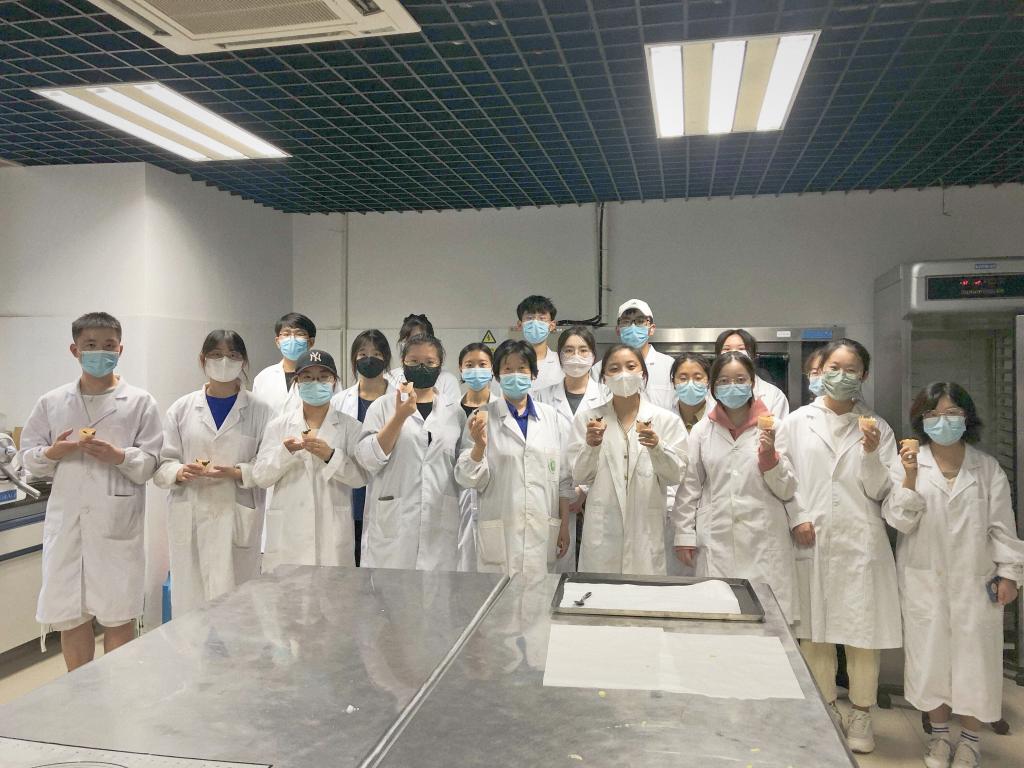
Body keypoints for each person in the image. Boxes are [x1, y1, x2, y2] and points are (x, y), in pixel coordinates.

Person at [885, 383, 1023, 768]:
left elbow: (1002, 527)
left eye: (951, 413)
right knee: (930, 660)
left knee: (975, 662)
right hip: (924, 581)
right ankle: (940, 738)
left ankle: (971, 742)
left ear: (967, 417)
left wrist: (1009, 574)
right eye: (933, 414)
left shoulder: (986, 468)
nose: (942, 421)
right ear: (921, 420)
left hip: (975, 583)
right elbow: (899, 521)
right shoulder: (907, 463)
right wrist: (909, 477)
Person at [774, 338, 901, 754]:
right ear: (821, 370)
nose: (841, 376)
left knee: (862, 633)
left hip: (861, 541)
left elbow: (881, 490)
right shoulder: (796, 422)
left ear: (864, 375)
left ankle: (861, 713)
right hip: (811, 536)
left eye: (851, 370)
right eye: (834, 367)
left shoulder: (878, 427)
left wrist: (871, 454)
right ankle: (826, 707)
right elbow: (782, 478)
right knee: (815, 632)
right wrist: (798, 516)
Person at [18, 312, 162, 671]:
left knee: (119, 616)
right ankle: (78, 692)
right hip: (68, 524)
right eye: (91, 345)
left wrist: (119, 456)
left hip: (116, 525)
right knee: (71, 616)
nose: (101, 352)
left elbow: (151, 463)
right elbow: (27, 459)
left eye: (108, 345)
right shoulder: (52, 402)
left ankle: (116, 693)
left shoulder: (140, 402)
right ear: (75, 350)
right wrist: (53, 452)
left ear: (120, 349)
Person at [672, 351, 807, 623]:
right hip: (717, 538)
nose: (732, 386)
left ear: (752, 383)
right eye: (723, 381)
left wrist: (770, 458)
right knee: (720, 619)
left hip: (764, 538)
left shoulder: (775, 427)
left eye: (740, 379)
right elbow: (690, 487)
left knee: (768, 622)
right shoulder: (702, 431)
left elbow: (788, 488)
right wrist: (684, 534)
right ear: (713, 387)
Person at [154, 330, 272, 615]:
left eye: (232, 355)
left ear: (243, 361)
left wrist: (239, 472)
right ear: (202, 360)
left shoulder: (260, 411)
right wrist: (179, 471)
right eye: (216, 355)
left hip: (237, 516)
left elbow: (269, 465)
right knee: (191, 611)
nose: (224, 362)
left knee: (237, 609)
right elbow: (161, 465)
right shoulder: (181, 409)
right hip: (191, 512)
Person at [455, 340, 573, 575]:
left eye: (522, 368)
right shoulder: (481, 417)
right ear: (497, 375)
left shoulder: (552, 418)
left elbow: (563, 479)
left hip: (542, 530)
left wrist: (564, 525)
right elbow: (466, 479)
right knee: (500, 593)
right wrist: (479, 446)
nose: (515, 375)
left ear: (533, 374)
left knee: (538, 592)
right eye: (508, 369)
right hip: (501, 531)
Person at [570, 344, 687, 575]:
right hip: (603, 533)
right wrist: (591, 447)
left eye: (631, 366)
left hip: (645, 533)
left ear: (643, 374)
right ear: (604, 377)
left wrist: (657, 448)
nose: (623, 374)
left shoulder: (666, 421)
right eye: (614, 368)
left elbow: (675, 476)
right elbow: (579, 476)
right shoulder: (588, 420)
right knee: (601, 595)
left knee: (642, 594)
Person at [357, 334, 465, 570]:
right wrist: (399, 417)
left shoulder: (454, 412)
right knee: (389, 590)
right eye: (414, 361)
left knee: (437, 590)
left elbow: (462, 469)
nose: (421, 367)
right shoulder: (382, 406)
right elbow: (368, 460)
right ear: (403, 363)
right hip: (393, 523)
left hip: (439, 521)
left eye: (429, 362)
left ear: (440, 365)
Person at [253, 349, 366, 572]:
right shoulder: (279, 426)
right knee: (287, 592)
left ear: (334, 382)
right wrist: (284, 453)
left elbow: (360, 478)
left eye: (323, 377)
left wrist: (331, 456)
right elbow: (261, 477)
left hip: (331, 533)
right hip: (289, 533)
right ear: (297, 383)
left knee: (333, 592)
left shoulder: (350, 427)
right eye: (307, 377)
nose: (316, 383)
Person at [536, 326, 606, 571]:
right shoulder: (540, 397)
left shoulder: (607, 396)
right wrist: (566, 491)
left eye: (583, 350)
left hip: (598, 490)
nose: (576, 357)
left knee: (595, 565)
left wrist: (584, 489)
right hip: (553, 491)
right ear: (559, 356)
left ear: (593, 356)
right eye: (568, 350)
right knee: (556, 566)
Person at [332, 330, 394, 565]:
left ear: (386, 359)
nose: (369, 359)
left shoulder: (399, 399)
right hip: (349, 490)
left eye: (376, 354)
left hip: (387, 491)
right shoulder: (340, 401)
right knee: (348, 565)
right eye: (362, 354)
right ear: (353, 359)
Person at [455, 342, 499, 571]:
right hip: (453, 498)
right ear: (460, 369)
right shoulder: (448, 410)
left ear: (492, 369)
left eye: (482, 364)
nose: (476, 370)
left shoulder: (501, 409)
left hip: (491, 495)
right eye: (469, 365)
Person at [592, 299, 675, 410]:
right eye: (626, 322)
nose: (633, 327)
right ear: (618, 330)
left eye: (640, 321)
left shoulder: (669, 366)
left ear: (651, 329)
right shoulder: (600, 369)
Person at [714, 329, 789, 419]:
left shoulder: (774, 395)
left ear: (752, 356)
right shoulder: (708, 394)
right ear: (718, 356)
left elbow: (780, 427)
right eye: (727, 349)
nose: (734, 353)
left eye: (741, 348)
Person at [387, 313, 461, 404]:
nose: (415, 345)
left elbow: (453, 410)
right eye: (409, 341)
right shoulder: (390, 378)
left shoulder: (447, 380)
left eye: (420, 338)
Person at [252, 312, 316, 412]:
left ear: (311, 342)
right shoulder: (264, 378)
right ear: (278, 342)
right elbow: (255, 415)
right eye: (286, 334)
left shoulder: (324, 377)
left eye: (299, 334)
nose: (292, 339)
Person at [516, 295, 563, 391]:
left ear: (552, 326)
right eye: (529, 318)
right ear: (520, 325)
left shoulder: (561, 362)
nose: (535, 323)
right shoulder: (507, 362)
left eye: (542, 318)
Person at [671, 353, 713, 433]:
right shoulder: (665, 417)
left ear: (709, 382)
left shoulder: (718, 418)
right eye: (683, 378)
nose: (690, 384)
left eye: (698, 378)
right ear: (673, 383)